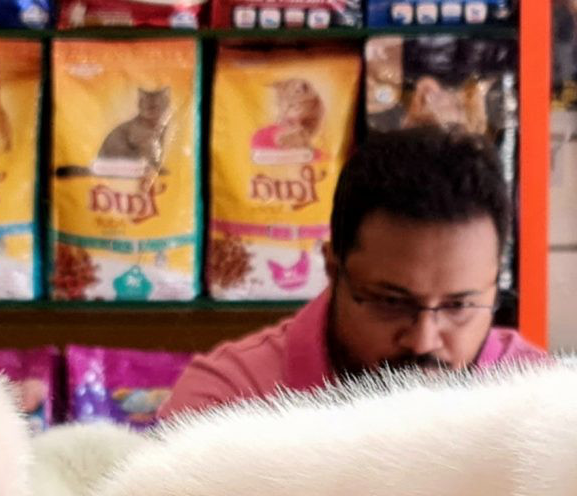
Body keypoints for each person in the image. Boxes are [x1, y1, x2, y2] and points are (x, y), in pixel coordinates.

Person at [158, 125, 545, 420]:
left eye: (459, 305)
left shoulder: (544, 405)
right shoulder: (224, 409)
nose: (423, 341)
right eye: (391, 302)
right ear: (332, 267)